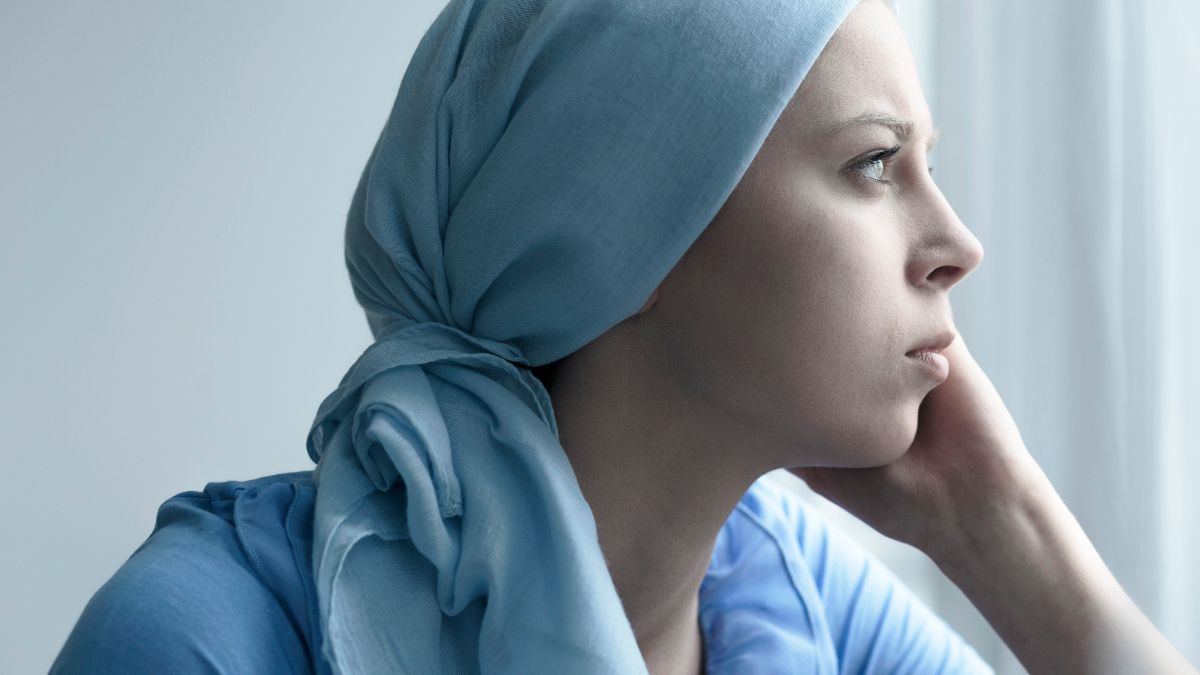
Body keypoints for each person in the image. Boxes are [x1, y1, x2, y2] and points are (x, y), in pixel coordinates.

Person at [49, 0, 1196, 674]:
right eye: (874, 165)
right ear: (625, 235)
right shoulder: (215, 636)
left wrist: (1004, 534)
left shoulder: (798, 604)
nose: (956, 242)